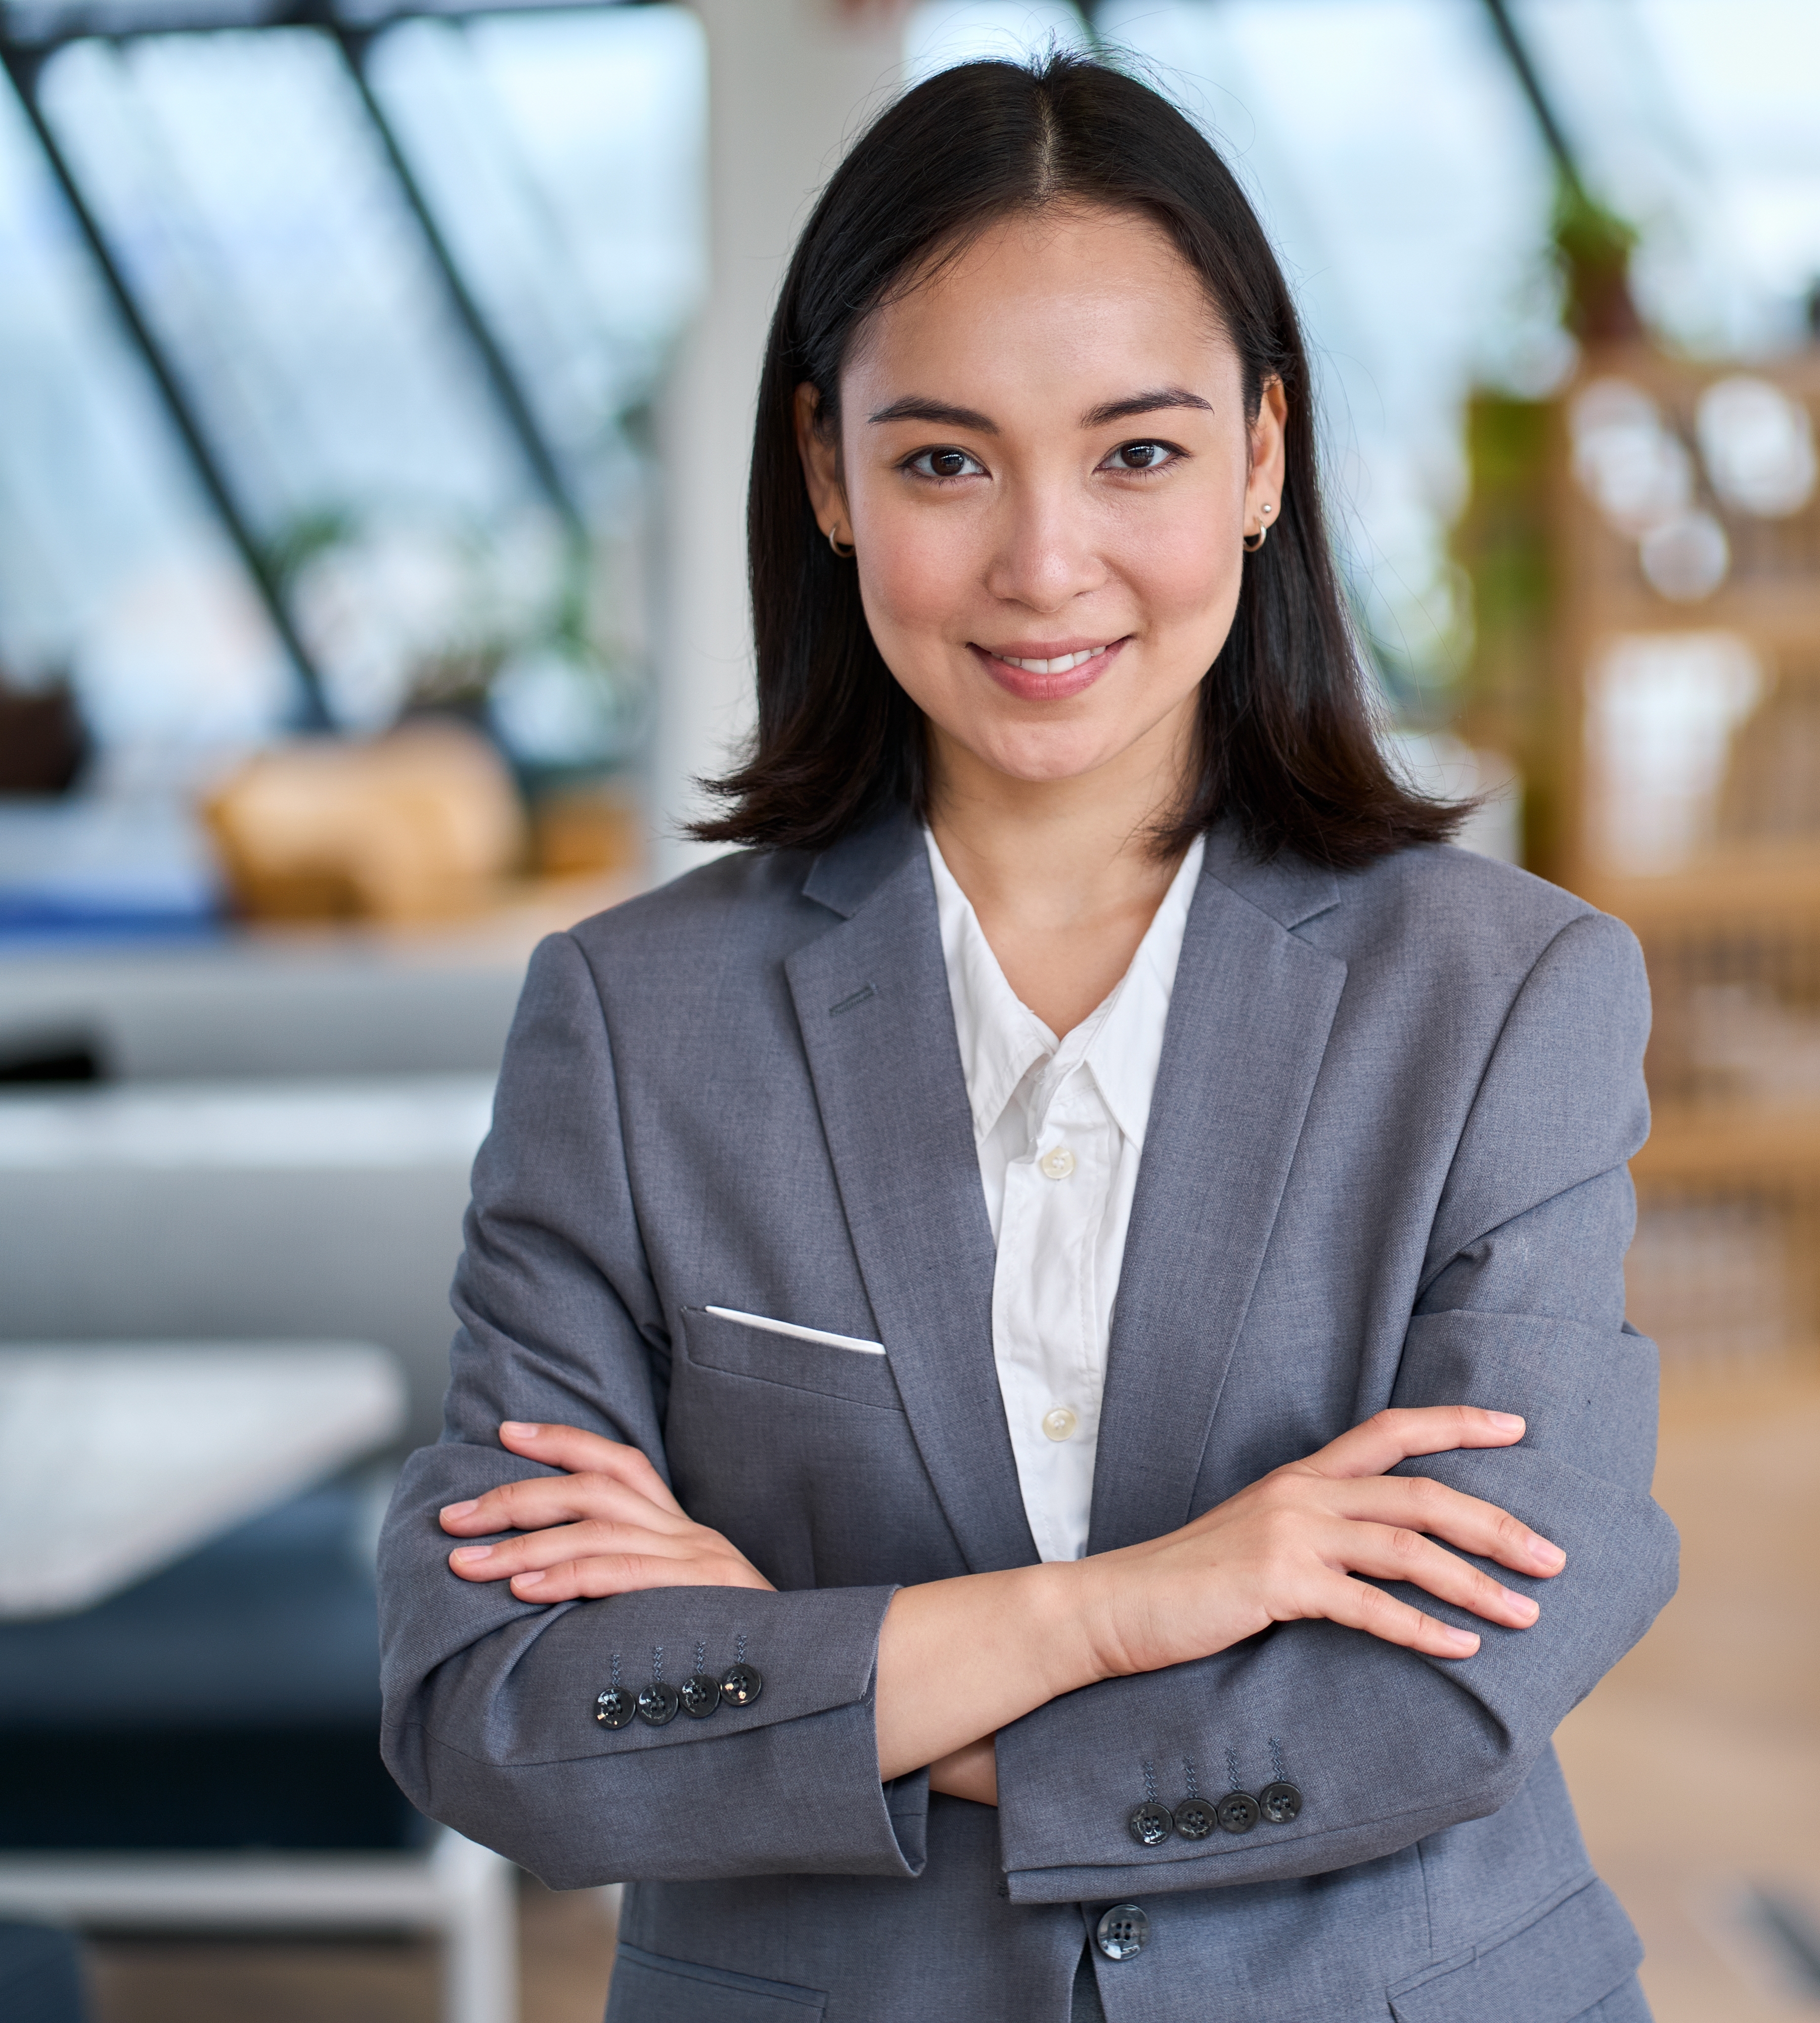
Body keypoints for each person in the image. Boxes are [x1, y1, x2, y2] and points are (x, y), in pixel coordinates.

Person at [376, 53, 1674, 2023]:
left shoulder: (1504, 997)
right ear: (827, 473)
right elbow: (505, 1707)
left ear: (1261, 457)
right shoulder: (638, 1021)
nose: (1045, 563)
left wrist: (819, 1672)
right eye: (944, 460)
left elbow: (1451, 1680)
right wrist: (1123, 1607)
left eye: (1136, 454)